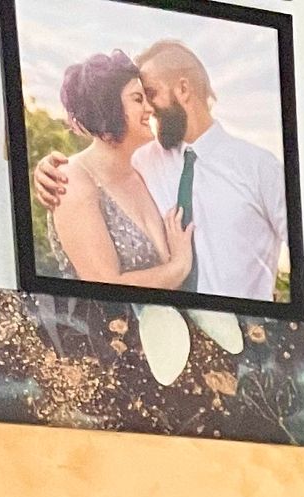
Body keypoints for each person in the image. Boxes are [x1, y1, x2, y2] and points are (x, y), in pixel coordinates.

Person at [32, 38, 288, 303]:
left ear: (183, 89)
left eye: (150, 93)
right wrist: (46, 171)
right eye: (139, 97)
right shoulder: (143, 160)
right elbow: (96, 160)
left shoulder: (260, 168)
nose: (149, 108)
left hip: (246, 335)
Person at [42, 52, 194, 290]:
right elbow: (106, 285)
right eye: (137, 99)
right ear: (108, 107)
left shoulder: (146, 169)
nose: (150, 108)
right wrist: (179, 267)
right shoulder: (72, 180)